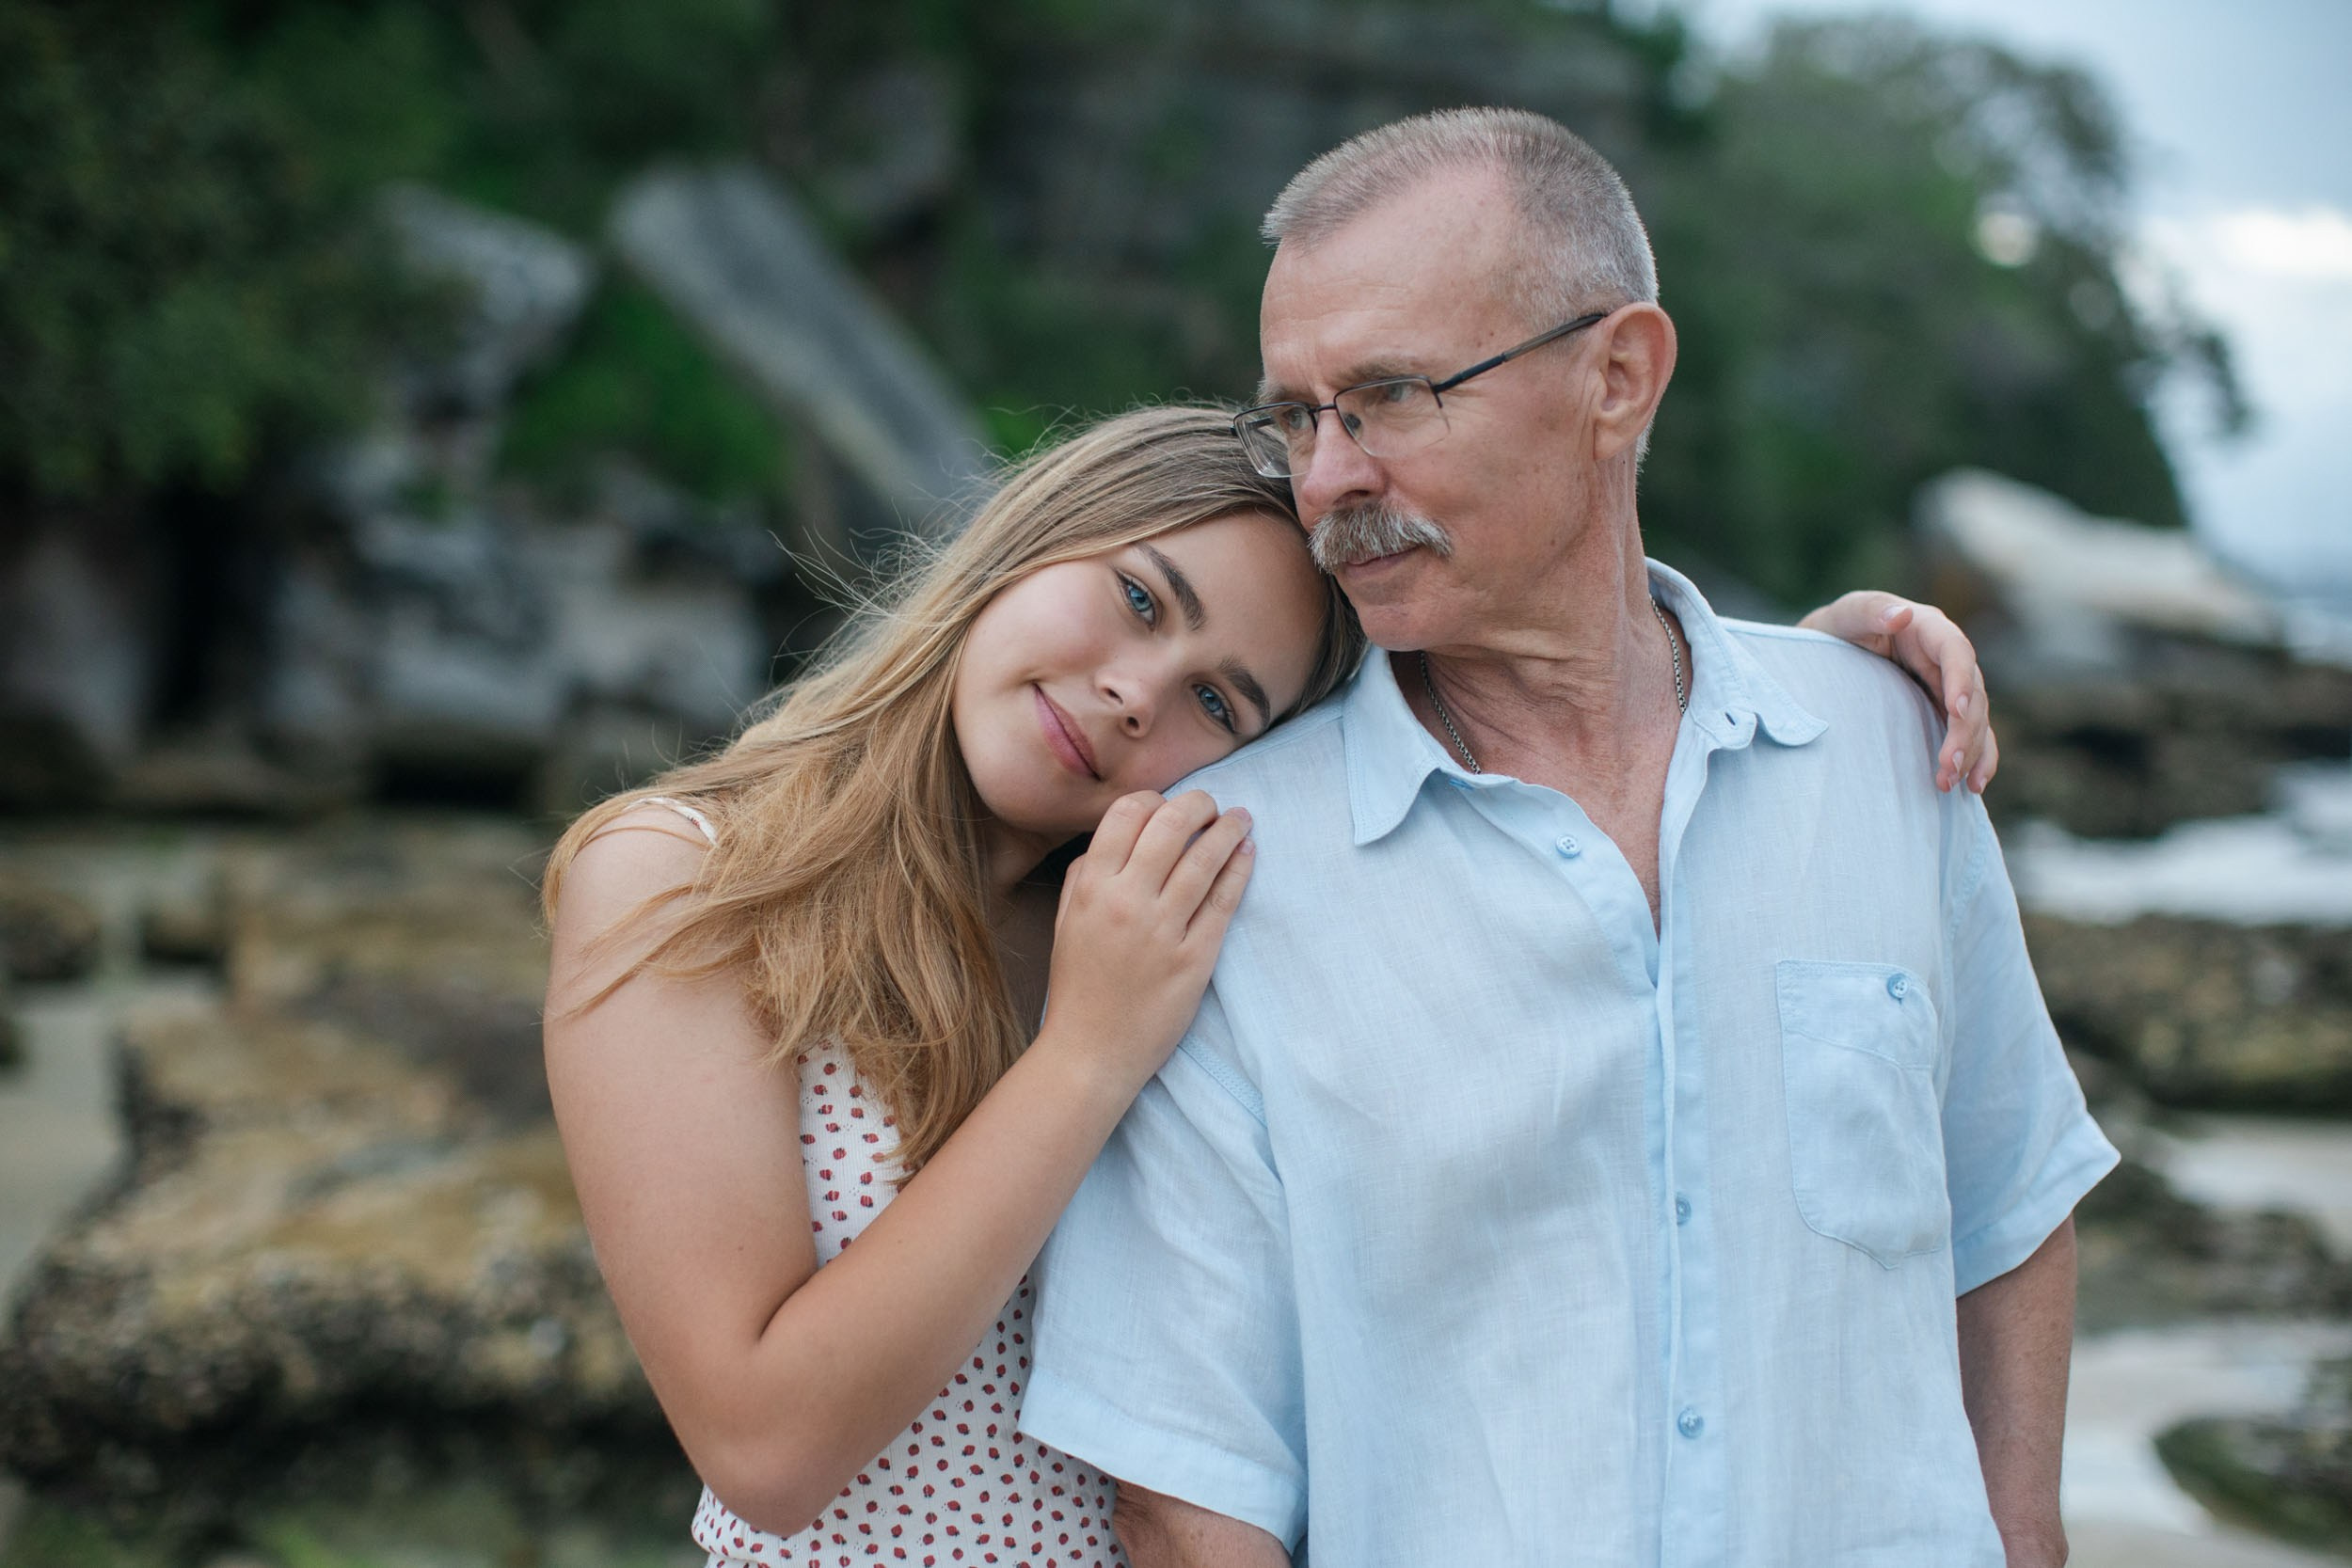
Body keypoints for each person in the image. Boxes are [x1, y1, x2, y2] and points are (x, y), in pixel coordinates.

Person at [542, 417, 1994, 1566]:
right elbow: (767, 1447)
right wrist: (1088, 1054)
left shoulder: (1181, 923)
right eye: (1135, 599)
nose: (1134, 694)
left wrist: (1800, 679)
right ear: (1028, 537)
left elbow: (1551, 951)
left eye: (1221, 703)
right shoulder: (688, 885)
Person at [1018, 112, 2114, 1568]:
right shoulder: (1219, 872)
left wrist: (2023, 1535)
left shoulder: (1889, 744)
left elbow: (2008, 1202)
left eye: (1392, 397)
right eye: (1298, 415)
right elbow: (1183, 1490)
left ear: (1618, 376)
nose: (1331, 477)